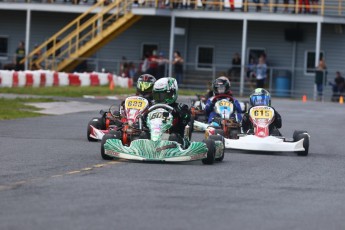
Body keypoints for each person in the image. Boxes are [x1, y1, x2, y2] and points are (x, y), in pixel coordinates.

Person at [152, 77, 191, 148]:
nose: (161, 99)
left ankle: (170, 150)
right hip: (154, 136)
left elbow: (186, 118)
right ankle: (144, 148)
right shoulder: (152, 108)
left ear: (172, 93)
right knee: (143, 134)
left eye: (163, 95)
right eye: (158, 96)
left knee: (173, 137)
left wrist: (178, 113)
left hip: (176, 138)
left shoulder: (180, 107)